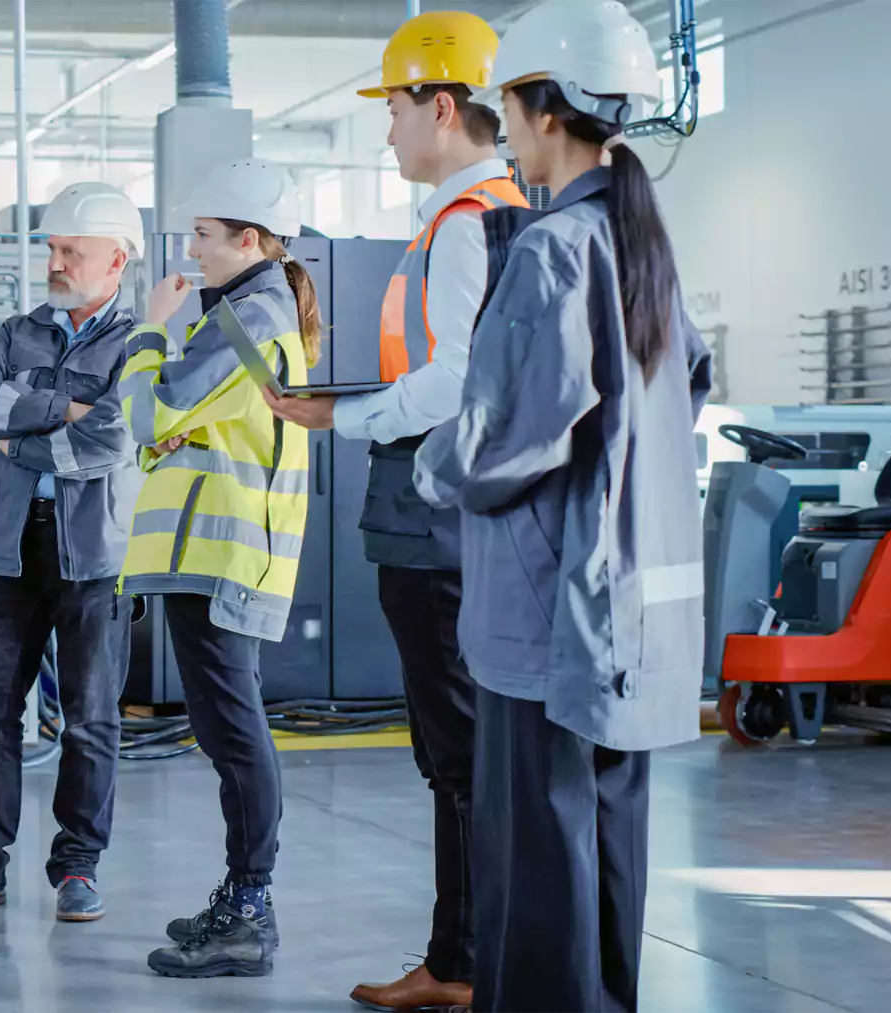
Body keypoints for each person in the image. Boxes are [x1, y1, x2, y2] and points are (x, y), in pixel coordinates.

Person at [412, 2, 712, 1011]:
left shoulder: (551, 250)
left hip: (547, 616)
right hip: (632, 608)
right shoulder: (646, 249)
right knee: (605, 848)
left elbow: (506, 441)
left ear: (541, 112)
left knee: (536, 870)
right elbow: (677, 398)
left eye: (508, 105)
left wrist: (428, 466)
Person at [261, 11, 524, 1010]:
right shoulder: (474, 217)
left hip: (438, 513)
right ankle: (463, 954)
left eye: (397, 108)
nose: (388, 131)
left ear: (443, 107)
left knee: (456, 750)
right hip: (443, 509)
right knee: (456, 749)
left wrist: (346, 415)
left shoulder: (468, 225)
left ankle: (463, 962)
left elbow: (456, 380)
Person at [0, 182, 144, 924]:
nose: (57, 261)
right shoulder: (18, 331)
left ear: (116, 260)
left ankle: (77, 866)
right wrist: (67, 408)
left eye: (72, 250)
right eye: (53, 248)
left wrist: (28, 433)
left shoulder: (139, 345)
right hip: (11, 551)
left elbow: (114, 435)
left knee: (91, 718)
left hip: (97, 557)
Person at [116, 160, 321, 979]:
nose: (190, 249)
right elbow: (176, 423)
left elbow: (153, 408)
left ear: (247, 238)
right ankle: (241, 895)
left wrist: (148, 330)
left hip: (225, 553)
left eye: (202, 235)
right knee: (225, 732)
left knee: (235, 735)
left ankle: (249, 906)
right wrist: (170, 417)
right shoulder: (243, 313)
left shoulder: (248, 320)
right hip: (211, 551)